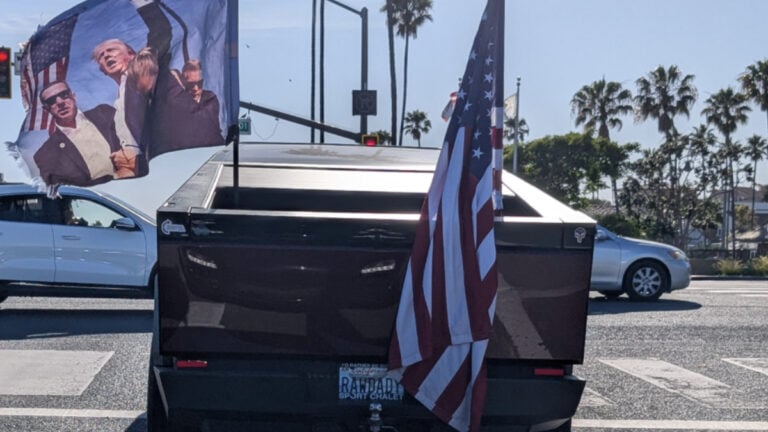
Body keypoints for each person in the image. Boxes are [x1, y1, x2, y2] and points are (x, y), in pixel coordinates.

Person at [33, 81, 138, 187]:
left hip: (133, 187)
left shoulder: (105, 114)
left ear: (73, 96)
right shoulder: (45, 155)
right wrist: (115, 176)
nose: (60, 102)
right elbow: (63, 190)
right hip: (92, 200)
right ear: (46, 109)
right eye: (51, 100)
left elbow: (137, 139)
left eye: (64, 95)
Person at [148, 59, 224, 158]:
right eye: (191, 84)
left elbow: (199, 117)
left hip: (208, 155)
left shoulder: (210, 99)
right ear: (183, 83)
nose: (196, 88)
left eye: (200, 83)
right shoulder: (174, 103)